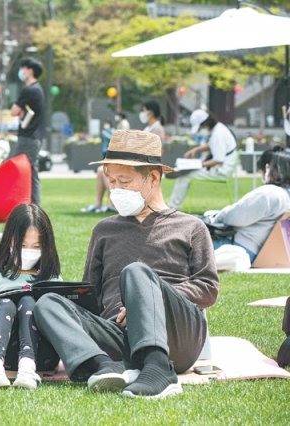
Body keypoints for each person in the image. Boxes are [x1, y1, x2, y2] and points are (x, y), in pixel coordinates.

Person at [34, 130, 219, 399]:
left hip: (176, 337)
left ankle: (158, 368)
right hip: (118, 337)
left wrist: (145, 303)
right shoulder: (103, 230)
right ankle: (102, 366)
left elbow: (208, 288)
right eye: (111, 181)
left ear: (153, 178)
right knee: (48, 302)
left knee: (136, 272)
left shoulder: (191, 227)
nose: (115, 189)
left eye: (124, 180)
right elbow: (91, 294)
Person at [0, 204, 61, 389]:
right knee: (6, 303)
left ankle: (27, 368)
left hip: (42, 356)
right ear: (10, 241)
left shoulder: (52, 278)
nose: (29, 251)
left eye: (36, 246)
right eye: (22, 245)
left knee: (28, 301)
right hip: (2, 352)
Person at [210, 151, 290, 262]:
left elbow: (235, 217)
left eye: (269, 167)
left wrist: (215, 216)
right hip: (256, 250)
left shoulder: (269, 194)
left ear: (277, 172)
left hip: (236, 246)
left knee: (183, 242)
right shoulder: (285, 195)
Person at [168, 109, 237, 209]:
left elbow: (218, 160)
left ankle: (172, 207)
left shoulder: (218, 134)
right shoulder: (218, 129)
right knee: (186, 172)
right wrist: (196, 150)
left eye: (200, 128)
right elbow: (213, 146)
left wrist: (198, 165)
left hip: (221, 170)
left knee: (185, 175)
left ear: (205, 124)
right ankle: (172, 207)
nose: (200, 131)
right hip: (221, 166)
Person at [10, 57, 45, 205]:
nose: (21, 71)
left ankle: (24, 204)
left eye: (23, 68)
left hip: (27, 138)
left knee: (17, 169)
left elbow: (14, 110)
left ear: (30, 71)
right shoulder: (39, 89)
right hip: (35, 137)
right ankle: (33, 206)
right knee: (32, 172)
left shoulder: (29, 90)